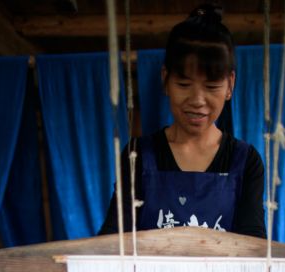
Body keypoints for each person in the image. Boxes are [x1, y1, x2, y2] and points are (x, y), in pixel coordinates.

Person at [101, 3, 266, 238]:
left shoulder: (245, 162)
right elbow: (112, 238)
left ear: (230, 85)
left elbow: (253, 245)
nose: (197, 100)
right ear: (165, 80)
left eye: (211, 86)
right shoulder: (137, 156)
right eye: (184, 84)